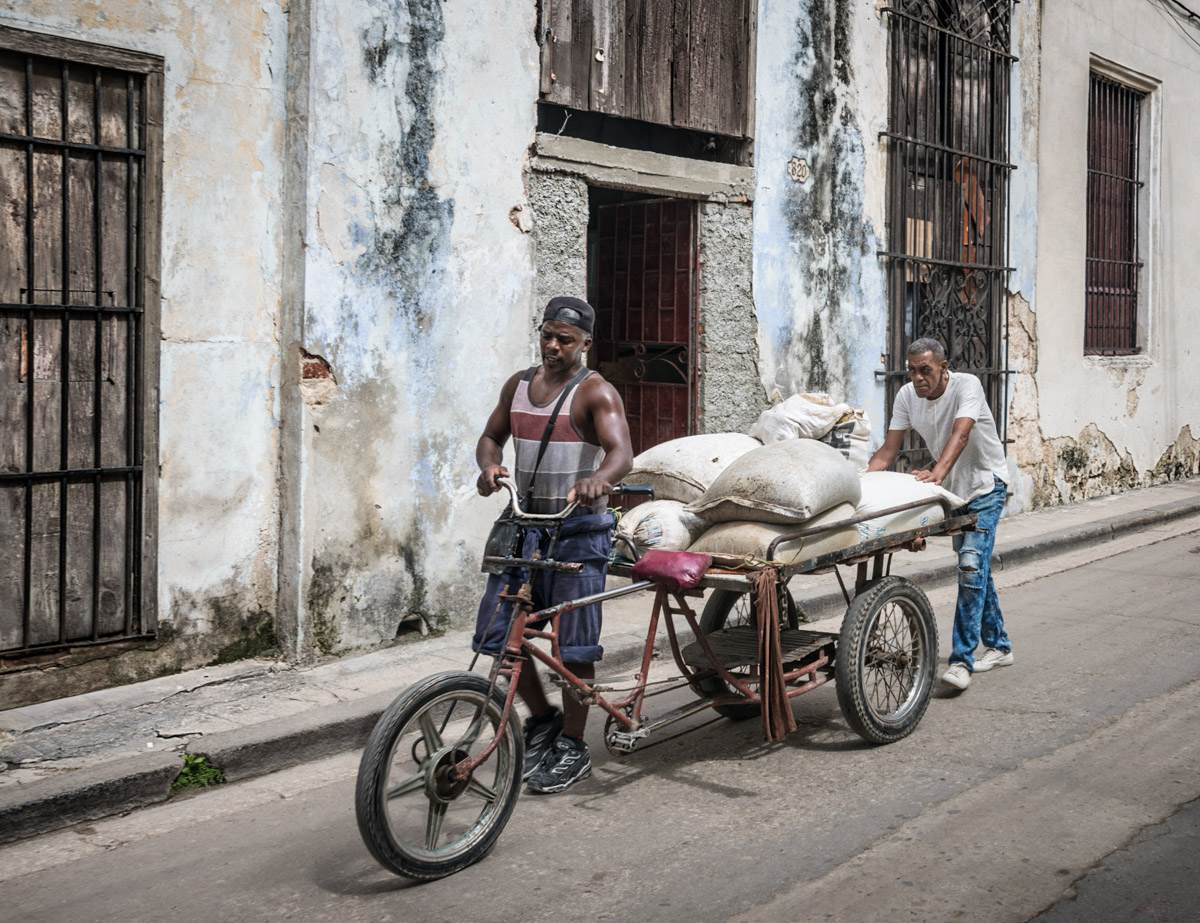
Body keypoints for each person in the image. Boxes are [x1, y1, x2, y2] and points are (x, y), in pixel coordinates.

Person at [474, 296, 633, 792]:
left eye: (565, 339)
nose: (553, 346)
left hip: (578, 533)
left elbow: (621, 452)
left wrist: (598, 481)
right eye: (547, 335)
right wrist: (489, 466)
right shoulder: (518, 385)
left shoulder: (596, 392)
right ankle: (541, 718)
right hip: (523, 525)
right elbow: (491, 436)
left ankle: (572, 742)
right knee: (500, 638)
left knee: (573, 647)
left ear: (585, 343)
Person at [867, 337, 1013, 691]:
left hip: (985, 485)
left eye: (925, 370)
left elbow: (961, 434)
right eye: (912, 371)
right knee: (975, 568)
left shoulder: (968, 386)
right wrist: (860, 488)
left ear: (944, 368)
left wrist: (937, 474)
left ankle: (962, 661)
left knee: (970, 565)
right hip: (951, 493)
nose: (918, 378)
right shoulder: (906, 397)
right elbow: (888, 450)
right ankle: (1000, 646)